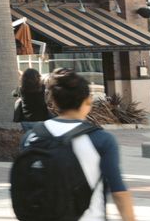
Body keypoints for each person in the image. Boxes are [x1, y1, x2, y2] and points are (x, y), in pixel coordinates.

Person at [32, 71, 134, 221]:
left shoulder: (32, 136)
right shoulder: (101, 139)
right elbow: (118, 192)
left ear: (53, 101)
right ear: (88, 101)